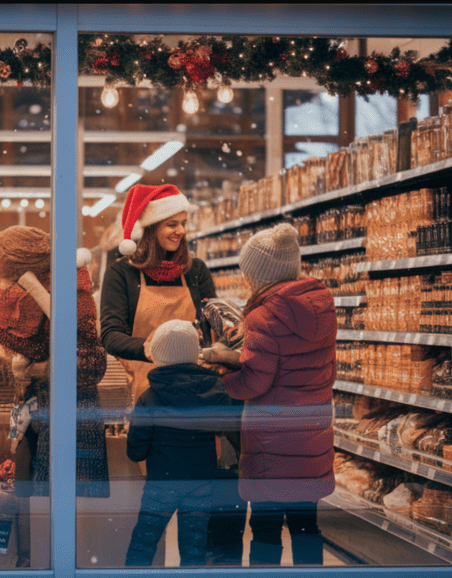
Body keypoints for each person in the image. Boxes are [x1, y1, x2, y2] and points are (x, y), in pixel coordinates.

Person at [99, 183, 246, 566]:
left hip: (199, 387)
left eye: (183, 222)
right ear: (148, 227)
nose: (180, 231)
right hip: (150, 385)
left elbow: (212, 323)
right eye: (171, 223)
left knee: (171, 506)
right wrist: (150, 348)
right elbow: (111, 334)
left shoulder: (194, 271)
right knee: (173, 501)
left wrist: (227, 341)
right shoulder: (122, 274)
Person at [209, 222, 337, 566]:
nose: (247, 281)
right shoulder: (323, 305)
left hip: (273, 444)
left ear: (261, 274)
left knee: (265, 528)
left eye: (248, 273)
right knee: (305, 526)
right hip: (312, 436)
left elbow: (254, 383)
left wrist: (224, 375)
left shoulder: (264, 316)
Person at [0, 227, 110, 499]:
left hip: (73, 406)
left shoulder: (69, 289)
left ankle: (70, 541)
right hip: (48, 405)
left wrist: (33, 366)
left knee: (70, 500)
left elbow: (65, 342)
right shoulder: (29, 294)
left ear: (21, 268)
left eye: (0, 270)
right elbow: (37, 345)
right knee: (47, 496)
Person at [125, 319, 238, 567]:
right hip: (201, 480)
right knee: (194, 547)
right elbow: (225, 426)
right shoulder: (215, 390)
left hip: (161, 483)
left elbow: (136, 451)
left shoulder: (150, 397)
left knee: (144, 540)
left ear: (157, 356)